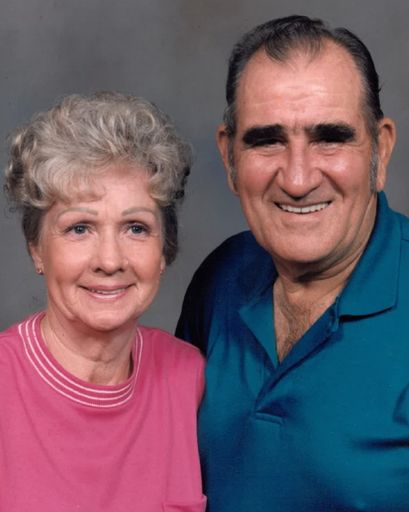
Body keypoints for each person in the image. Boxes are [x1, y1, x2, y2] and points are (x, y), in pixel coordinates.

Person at [176, 15, 409, 511]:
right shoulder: (221, 278)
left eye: (330, 138)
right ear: (229, 157)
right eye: (267, 140)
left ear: (381, 150)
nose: (298, 179)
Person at [1, 92, 206, 511]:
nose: (110, 261)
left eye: (135, 228)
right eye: (80, 228)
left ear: (164, 250)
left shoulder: (191, 379)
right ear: (37, 249)